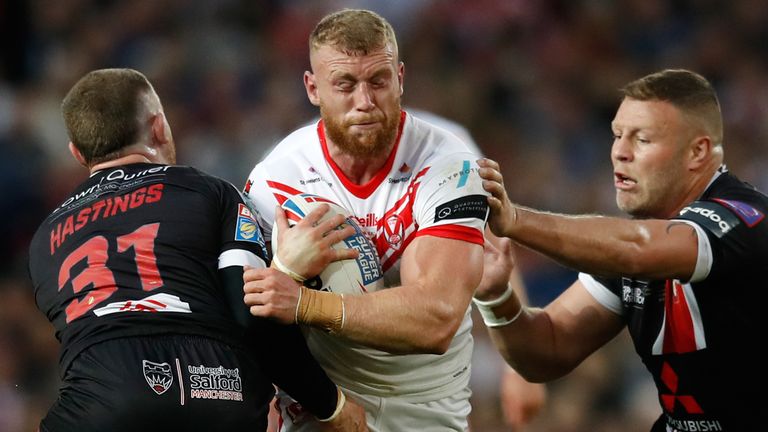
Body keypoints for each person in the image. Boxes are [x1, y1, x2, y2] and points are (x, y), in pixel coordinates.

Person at [27, 68, 367, 432]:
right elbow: (252, 311)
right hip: (213, 389)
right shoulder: (209, 192)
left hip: (96, 408)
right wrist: (331, 404)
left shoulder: (45, 238)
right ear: (158, 127)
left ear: (77, 153)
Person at [474, 69, 766, 431]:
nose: (619, 153)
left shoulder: (745, 219)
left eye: (641, 139)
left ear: (698, 151)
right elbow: (546, 351)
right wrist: (496, 296)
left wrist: (515, 220)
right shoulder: (627, 244)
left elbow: (638, 249)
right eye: (616, 135)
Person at [241, 9, 490, 431]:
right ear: (313, 88)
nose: (365, 101)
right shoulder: (277, 181)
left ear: (401, 78)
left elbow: (437, 318)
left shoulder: (450, 167)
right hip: (321, 398)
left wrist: (303, 302)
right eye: (345, 84)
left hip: (425, 403)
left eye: (378, 81)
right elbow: (254, 313)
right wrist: (285, 271)